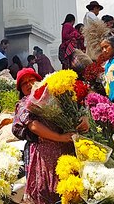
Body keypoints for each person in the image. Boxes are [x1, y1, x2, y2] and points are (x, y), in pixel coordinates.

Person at [12, 67, 88, 203]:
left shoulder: (56, 95)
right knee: (47, 191)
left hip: (67, 149)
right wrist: (59, 138)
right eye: (24, 83)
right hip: (45, 154)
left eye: (32, 80)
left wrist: (84, 118)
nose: (29, 84)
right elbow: (33, 125)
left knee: (71, 191)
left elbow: (77, 108)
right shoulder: (24, 104)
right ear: (20, 89)